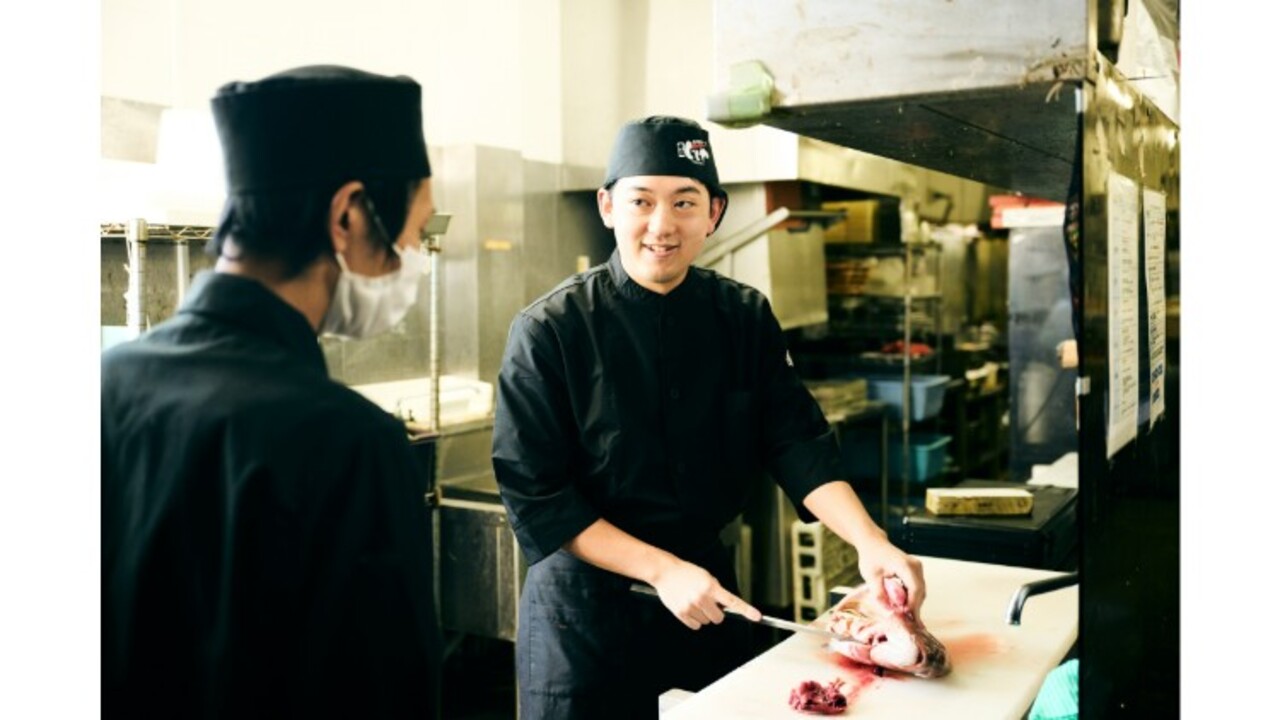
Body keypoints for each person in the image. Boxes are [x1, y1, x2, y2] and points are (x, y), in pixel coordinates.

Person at [492, 116, 928, 719]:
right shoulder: (550, 331)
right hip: (585, 618)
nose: (662, 225)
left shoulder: (742, 317)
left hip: (708, 598)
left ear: (714, 213)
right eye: (641, 201)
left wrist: (869, 540)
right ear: (608, 207)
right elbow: (539, 496)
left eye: (684, 202)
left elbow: (794, 439)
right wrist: (662, 570)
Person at [102, 65, 442, 718]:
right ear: (348, 215)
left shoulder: (105, 382)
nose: (410, 259)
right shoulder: (349, 442)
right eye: (411, 235)